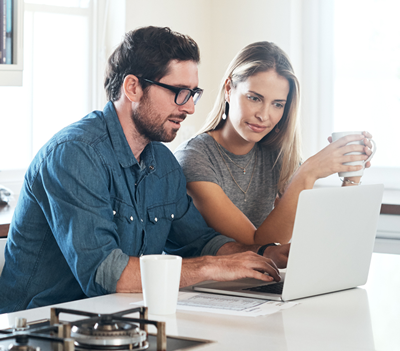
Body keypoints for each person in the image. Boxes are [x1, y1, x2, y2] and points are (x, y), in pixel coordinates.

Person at [0, 27, 290, 314]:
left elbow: (199, 242)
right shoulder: (73, 154)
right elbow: (107, 274)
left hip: (115, 320)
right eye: (179, 92)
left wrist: (264, 253)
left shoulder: (162, 163)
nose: (189, 108)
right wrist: (211, 267)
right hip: (38, 327)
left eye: (193, 94)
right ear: (133, 88)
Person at [174, 41, 373, 246]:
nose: (263, 115)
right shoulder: (194, 157)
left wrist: (351, 174)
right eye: (254, 98)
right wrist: (308, 172)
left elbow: (317, 235)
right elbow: (257, 244)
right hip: (210, 277)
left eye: (277, 104)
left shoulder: (276, 155)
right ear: (228, 89)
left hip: (262, 277)